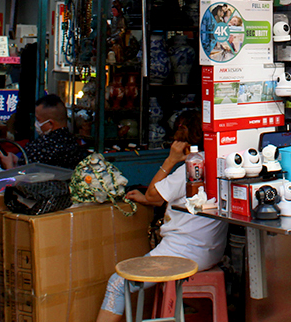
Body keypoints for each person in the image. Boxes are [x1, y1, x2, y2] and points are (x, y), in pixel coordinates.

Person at [97, 111, 228, 322]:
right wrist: (146, 198)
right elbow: (159, 199)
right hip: (210, 251)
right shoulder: (218, 163)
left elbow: (153, 194)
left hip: (182, 252)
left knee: (116, 284)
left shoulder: (187, 169)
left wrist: (170, 160)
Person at [0, 94, 88, 170]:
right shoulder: (76, 146)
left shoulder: (38, 149)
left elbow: (23, 184)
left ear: (50, 123)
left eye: (38, 120)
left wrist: (9, 166)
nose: (36, 124)